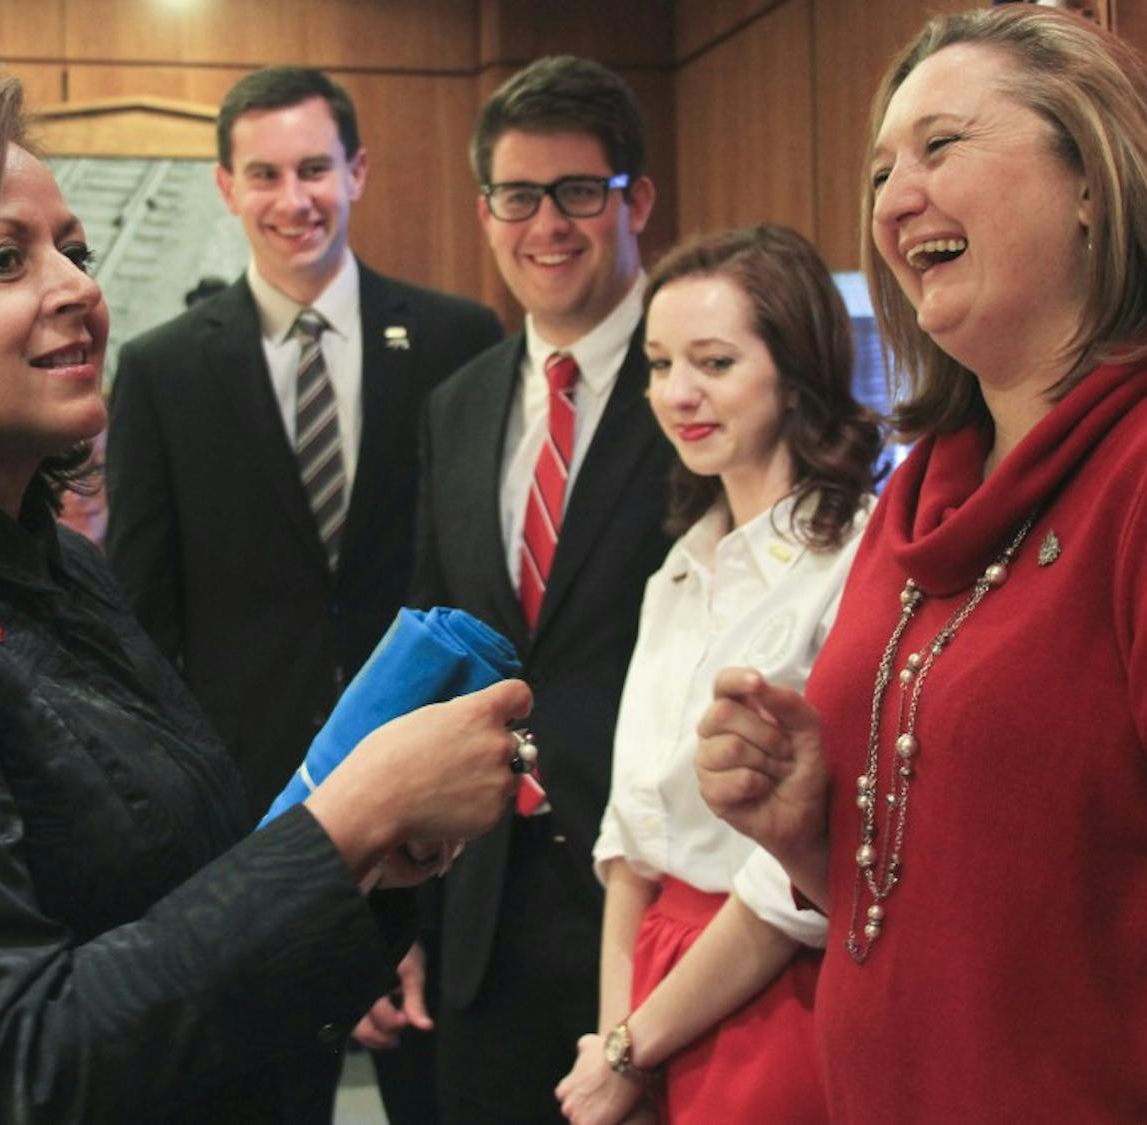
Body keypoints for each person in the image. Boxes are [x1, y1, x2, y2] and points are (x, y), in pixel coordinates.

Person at [0, 74, 533, 1125]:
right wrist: (346, 823)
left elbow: (182, 920)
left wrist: (374, 859)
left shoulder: (48, 565)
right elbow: (15, 1062)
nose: (77, 289)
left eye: (73, 251)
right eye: (5, 260)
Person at [696, 7, 1147, 1121]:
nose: (893, 201)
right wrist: (811, 833)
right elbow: (941, 895)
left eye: (942, 148)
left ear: (1089, 177)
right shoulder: (918, 491)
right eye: (882, 169)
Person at [104, 66, 503, 1122]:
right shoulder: (159, 373)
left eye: (317, 169)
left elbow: (485, 586)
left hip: (444, 823)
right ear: (227, 188)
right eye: (268, 174)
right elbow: (143, 627)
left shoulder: (460, 342)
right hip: (251, 833)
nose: (297, 199)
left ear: (358, 172)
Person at [553, 225, 881, 1124]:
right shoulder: (680, 568)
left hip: (770, 987)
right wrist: (614, 1035)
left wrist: (632, 1044)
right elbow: (631, 843)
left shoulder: (855, 563)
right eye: (659, 364)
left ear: (796, 370)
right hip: (649, 986)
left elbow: (791, 886)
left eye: (714, 361)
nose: (677, 393)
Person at [411, 55, 675, 1122]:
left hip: (653, 912)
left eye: (579, 192)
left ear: (636, 200)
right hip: (482, 921)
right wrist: (409, 921)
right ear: (486, 211)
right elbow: (438, 658)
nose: (548, 225)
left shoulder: (702, 379)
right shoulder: (458, 405)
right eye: (519, 197)